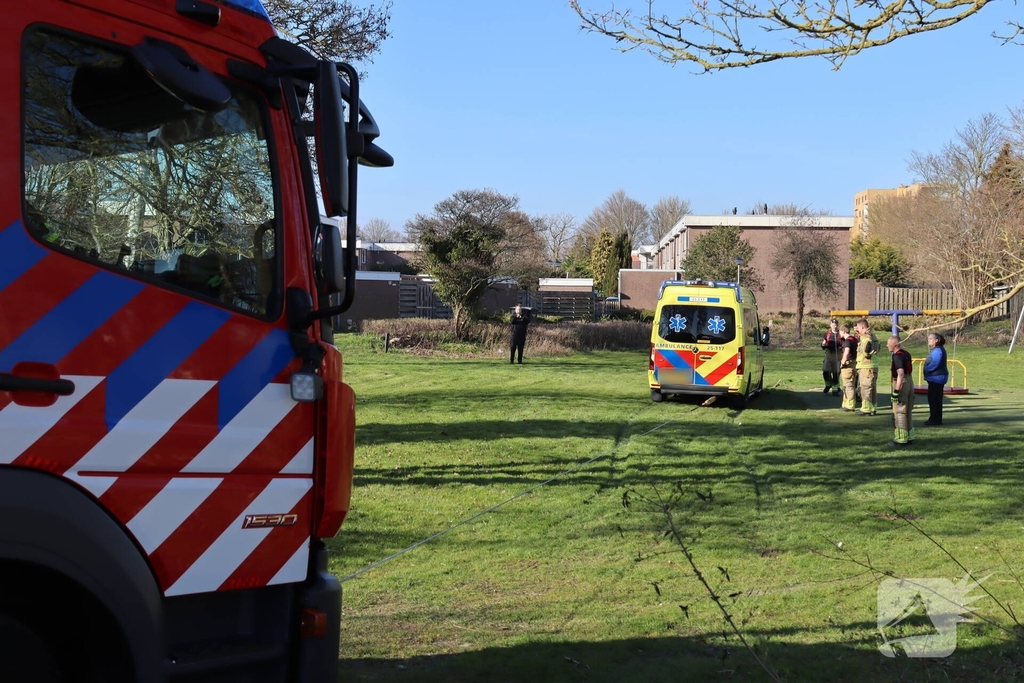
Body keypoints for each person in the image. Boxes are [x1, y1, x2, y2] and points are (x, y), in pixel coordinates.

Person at [887, 335, 915, 446]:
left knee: (899, 411)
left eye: (888, 344)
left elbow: (900, 374)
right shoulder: (906, 353)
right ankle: (910, 435)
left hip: (901, 382)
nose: (887, 346)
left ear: (895, 345)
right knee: (908, 411)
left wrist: (896, 391)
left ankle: (901, 438)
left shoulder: (897, 356)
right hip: (909, 382)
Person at [923, 332, 948, 426]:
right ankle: (935, 419)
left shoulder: (938, 350)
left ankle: (934, 420)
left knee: (934, 399)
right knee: (935, 399)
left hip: (936, 378)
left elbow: (935, 363)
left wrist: (927, 369)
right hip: (936, 378)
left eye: (930, 339)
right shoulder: (938, 349)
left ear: (936, 340)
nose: (928, 340)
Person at [854, 318, 879, 416]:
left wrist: (866, 353)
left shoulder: (866, 336)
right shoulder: (873, 335)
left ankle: (866, 408)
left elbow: (866, 347)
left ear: (862, 327)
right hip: (872, 365)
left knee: (865, 387)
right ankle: (873, 407)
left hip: (866, 365)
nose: (857, 330)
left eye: (858, 328)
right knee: (872, 388)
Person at [838, 324, 858, 412]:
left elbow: (846, 352)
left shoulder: (848, 341)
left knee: (848, 385)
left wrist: (842, 363)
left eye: (840, 332)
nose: (839, 334)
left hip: (848, 365)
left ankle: (850, 405)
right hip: (854, 363)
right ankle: (846, 403)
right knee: (849, 384)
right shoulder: (854, 339)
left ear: (844, 331)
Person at [820, 318, 841, 394]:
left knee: (836, 373)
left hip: (837, 354)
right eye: (832, 324)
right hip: (829, 354)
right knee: (825, 371)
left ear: (837, 325)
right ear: (830, 325)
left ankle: (835, 389)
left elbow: (844, 343)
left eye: (835, 325)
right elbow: (824, 342)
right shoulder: (827, 333)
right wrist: (823, 345)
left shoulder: (840, 334)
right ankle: (828, 384)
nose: (834, 326)